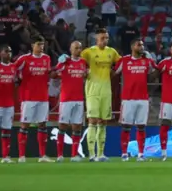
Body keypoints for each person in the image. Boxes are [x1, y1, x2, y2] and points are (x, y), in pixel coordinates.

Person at [80, 29, 121, 162]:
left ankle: (101, 154)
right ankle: (91, 154)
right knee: (92, 120)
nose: (105, 40)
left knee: (103, 121)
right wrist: (83, 72)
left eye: (107, 38)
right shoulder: (88, 52)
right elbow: (79, 64)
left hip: (106, 91)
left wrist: (115, 72)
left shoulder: (111, 52)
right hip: (92, 90)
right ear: (96, 39)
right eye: (102, 38)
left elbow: (121, 63)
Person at [115, 39, 155, 161]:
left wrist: (152, 62)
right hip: (128, 99)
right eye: (139, 45)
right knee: (126, 127)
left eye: (143, 45)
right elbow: (114, 73)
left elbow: (154, 75)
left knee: (141, 127)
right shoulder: (124, 60)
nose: (142, 47)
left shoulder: (147, 60)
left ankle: (141, 154)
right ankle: (124, 154)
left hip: (143, 99)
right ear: (132, 47)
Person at [16, 37, 54, 163]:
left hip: (43, 97)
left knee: (42, 124)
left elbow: (49, 73)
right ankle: (21, 156)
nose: (41, 47)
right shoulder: (24, 59)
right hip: (28, 98)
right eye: (39, 44)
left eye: (42, 45)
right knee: (25, 125)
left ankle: (42, 156)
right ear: (32, 45)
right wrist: (18, 78)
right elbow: (13, 69)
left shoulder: (46, 58)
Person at [54, 41, 88, 162]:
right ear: (70, 49)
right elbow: (53, 74)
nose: (78, 50)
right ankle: (60, 155)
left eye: (80, 48)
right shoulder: (65, 62)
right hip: (66, 99)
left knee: (77, 127)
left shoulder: (84, 63)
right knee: (63, 126)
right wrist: (59, 63)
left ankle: (74, 155)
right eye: (76, 48)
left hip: (79, 99)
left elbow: (86, 76)